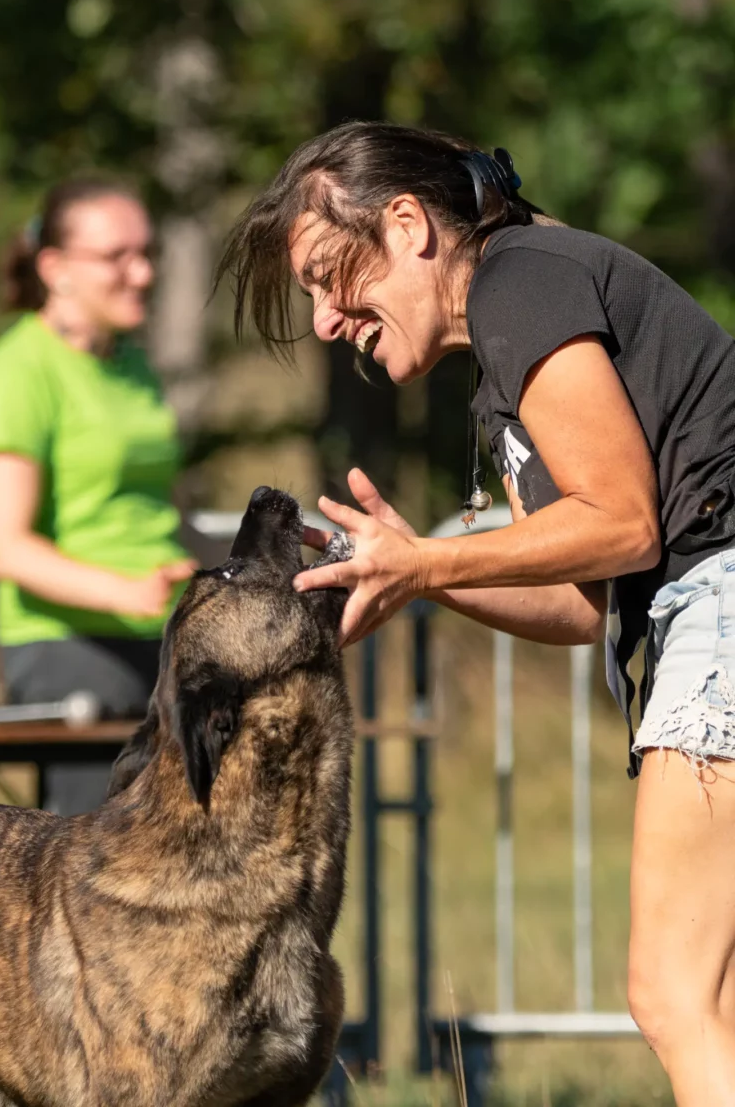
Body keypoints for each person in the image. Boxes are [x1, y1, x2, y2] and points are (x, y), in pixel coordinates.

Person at [214, 119, 735, 1106]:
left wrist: (431, 557)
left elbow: (621, 522)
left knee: (675, 992)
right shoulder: (511, 348)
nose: (327, 320)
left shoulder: (519, 280)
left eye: (331, 275)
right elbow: (589, 601)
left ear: (409, 225)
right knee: (718, 998)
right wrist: (423, 574)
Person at [0, 177, 196, 815]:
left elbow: (165, 513)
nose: (142, 272)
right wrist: (126, 592)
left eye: (147, 252)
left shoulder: (134, 366)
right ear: (55, 269)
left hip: (168, 632)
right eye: (116, 256)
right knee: (105, 874)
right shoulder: (17, 373)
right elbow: (5, 549)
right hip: (71, 648)